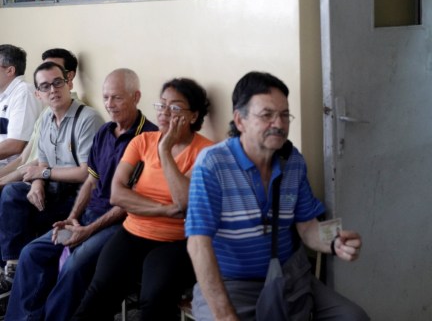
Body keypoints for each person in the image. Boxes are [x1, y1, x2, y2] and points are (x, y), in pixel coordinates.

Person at [185, 71, 368, 321]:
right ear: (240, 121)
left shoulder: (292, 161)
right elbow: (198, 245)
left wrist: (335, 242)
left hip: (289, 276)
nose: (279, 124)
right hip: (233, 284)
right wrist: (226, 316)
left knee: (353, 317)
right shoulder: (213, 164)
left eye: (284, 115)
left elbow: (307, 227)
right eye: (267, 115)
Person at [4, 68, 158, 321]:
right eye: (106, 97)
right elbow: (90, 180)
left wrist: (87, 230)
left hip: (120, 223)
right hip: (87, 216)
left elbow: (128, 203)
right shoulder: (105, 131)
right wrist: (73, 218)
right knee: (32, 253)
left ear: (136, 96)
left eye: (117, 98)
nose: (109, 104)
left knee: (75, 266)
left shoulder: (148, 138)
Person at [72, 78, 214, 321]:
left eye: (176, 108)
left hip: (178, 241)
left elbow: (184, 203)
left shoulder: (206, 152)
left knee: (154, 300)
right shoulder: (141, 141)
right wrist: (164, 208)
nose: (165, 113)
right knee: (98, 293)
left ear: (193, 116)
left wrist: (165, 151)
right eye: (162, 105)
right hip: (133, 232)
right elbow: (118, 194)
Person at [0, 61, 103, 294]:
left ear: (69, 83)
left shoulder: (88, 118)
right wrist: (37, 183)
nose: (53, 90)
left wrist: (42, 174)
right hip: (55, 190)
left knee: (13, 201)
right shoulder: (46, 118)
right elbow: (43, 161)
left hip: (81, 197)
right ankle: (12, 267)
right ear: (38, 94)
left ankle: (21, 276)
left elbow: (87, 172)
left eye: (57, 83)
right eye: (45, 86)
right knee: (12, 194)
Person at [0, 48, 80, 184]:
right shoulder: (46, 114)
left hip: (40, 180)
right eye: (44, 68)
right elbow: (23, 159)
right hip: (24, 173)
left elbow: (43, 161)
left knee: (11, 192)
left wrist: (4, 181)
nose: (47, 75)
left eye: (55, 70)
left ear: (69, 77)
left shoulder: (78, 115)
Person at [0, 45, 41, 169]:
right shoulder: (4, 95)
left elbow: (15, 144)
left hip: (11, 170)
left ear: (10, 71)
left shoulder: (24, 92)